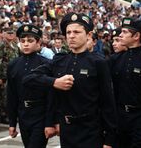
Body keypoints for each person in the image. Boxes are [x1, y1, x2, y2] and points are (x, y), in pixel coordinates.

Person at [23, 12, 117, 148]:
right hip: (67, 130)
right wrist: (54, 82)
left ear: (89, 35)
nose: (71, 36)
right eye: (68, 32)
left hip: (91, 130)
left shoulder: (98, 62)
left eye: (77, 32)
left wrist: (109, 140)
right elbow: (29, 79)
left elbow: (108, 102)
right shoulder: (60, 60)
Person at [108, 17, 141, 148]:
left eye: (125, 32)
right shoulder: (115, 59)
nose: (120, 35)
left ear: (136, 36)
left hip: (140, 118)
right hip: (119, 116)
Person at [7, 24, 56, 148]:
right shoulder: (13, 65)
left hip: (40, 113)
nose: (26, 44)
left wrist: (50, 122)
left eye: (30, 41)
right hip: (23, 114)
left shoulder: (46, 64)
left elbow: (51, 96)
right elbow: (11, 95)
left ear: (38, 42)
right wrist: (12, 122)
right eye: (22, 41)